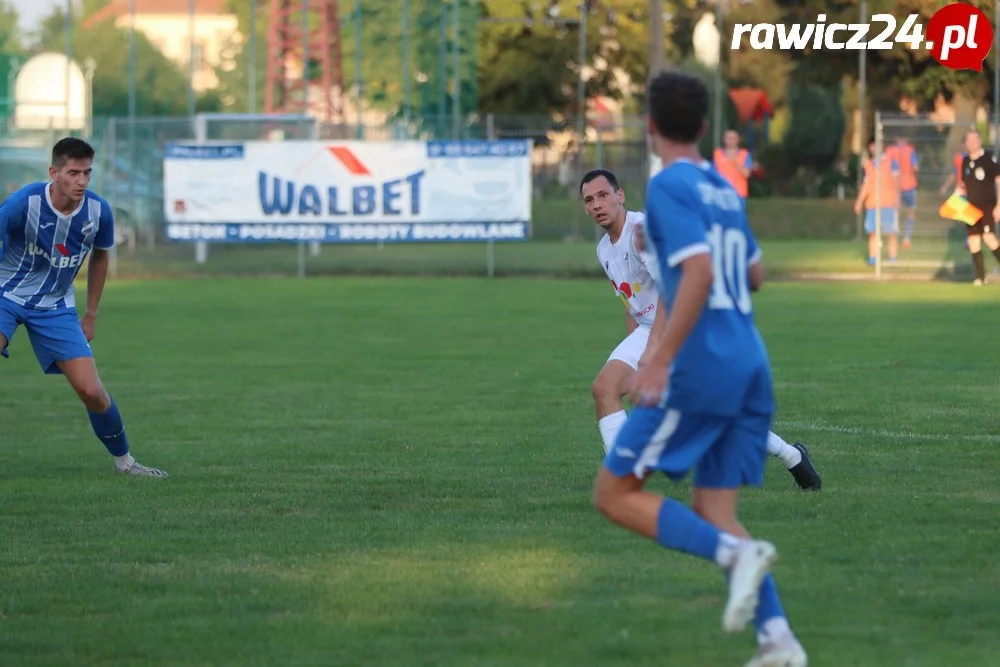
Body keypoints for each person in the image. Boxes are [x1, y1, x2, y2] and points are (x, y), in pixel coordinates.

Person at [591, 70, 807, 667]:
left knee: (613, 493)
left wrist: (657, 358)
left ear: (652, 126)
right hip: (750, 361)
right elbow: (755, 275)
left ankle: (735, 557)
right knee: (717, 511)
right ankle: (778, 641)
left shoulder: (667, 188)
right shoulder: (722, 186)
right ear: (705, 124)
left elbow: (701, 273)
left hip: (705, 364)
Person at [581, 168, 821, 491]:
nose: (597, 204)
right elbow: (632, 301)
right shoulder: (604, 249)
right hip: (652, 329)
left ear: (620, 196)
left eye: (603, 195)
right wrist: (637, 349)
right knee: (604, 389)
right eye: (589, 200)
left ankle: (792, 455)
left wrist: (652, 354)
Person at [0, 137, 167, 478]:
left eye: (87, 173)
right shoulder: (23, 203)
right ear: (54, 172)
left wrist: (90, 314)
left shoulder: (97, 211)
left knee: (91, 390)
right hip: (6, 296)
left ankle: (126, 464)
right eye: (73, 173)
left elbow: (101, 256)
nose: (81, 181)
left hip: (56, 308)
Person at [955, 129, 1000, 285]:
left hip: (987, 206)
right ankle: (980, 277)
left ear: (980, 141)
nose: (972, 142)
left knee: (989, 238)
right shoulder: (965, 161)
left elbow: (999, 181)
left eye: (975, 139)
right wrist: (955, 201)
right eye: (969, 140)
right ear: (965, 144)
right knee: (973, 240)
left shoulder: (988, 159)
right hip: (970, 208)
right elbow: (962, 185)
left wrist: (999, 206)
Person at [854, 137, 900, 266]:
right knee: (873, 233)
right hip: (873, 204)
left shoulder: (891, 162)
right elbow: (866, 185)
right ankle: (872, 258)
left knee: (891, 232)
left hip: (888, 203)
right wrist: (859, 201)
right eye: (873, 145)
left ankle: (893, 259)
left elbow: (896, 182)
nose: (875, 148)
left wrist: (897, 200)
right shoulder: (869, 164)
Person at [889, 137, 919, 249]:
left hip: (895, 187)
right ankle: (906, 238)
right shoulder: (910, 150)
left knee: (896, 212)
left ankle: (894, 237)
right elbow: (916, 168)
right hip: (910, 185)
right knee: (911, 212)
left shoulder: (890, 151)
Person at [713, 129, 752, 199]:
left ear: (738, 140)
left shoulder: (745, 154)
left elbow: (747, 174)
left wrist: (735, 162)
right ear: (724, 140)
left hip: (739, 194)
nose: (731, 140)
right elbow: (713, 174)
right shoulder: (717, 154)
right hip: (721, 193)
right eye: (728, 138)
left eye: (733, 138)